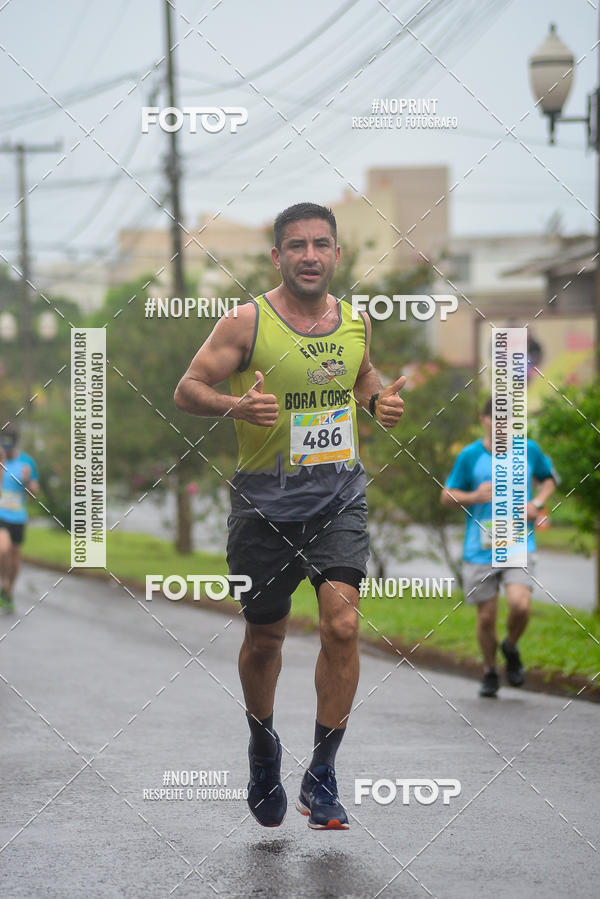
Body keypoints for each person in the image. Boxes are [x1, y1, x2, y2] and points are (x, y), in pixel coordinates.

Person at [175, 202, 405, 829]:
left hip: (338, 497)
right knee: (265, 640)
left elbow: (362, 376)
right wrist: (234, 407)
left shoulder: (353, 320)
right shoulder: (246, 321)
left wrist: (377, 401)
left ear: (337, 254)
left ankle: (322, 774)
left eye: (321, 244)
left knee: (342, 626)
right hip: (263, 505)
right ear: (277, 256)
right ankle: (263, 746)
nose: (310, 255)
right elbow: (187, 388)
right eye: (297, 245)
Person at [440, 397, 557, 698]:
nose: (501, 425)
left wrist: (536, 503)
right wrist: (473, 497)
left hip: (518, 542)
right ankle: (490, 670)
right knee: (487, 617)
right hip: (480, 548)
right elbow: (446, 495)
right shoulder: (469, 456)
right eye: (495, 418)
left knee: (520, 604)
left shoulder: (528, 449)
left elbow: (549, 480)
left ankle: (510, 646)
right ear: (484, 420)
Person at [0, 424, 39, 612]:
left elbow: (33, 495)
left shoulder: (27, 462)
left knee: (15, 559)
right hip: (1, 515)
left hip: (18, 517)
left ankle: (8, 590)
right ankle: (2, 583)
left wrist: (28, 481)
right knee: (2, 548)